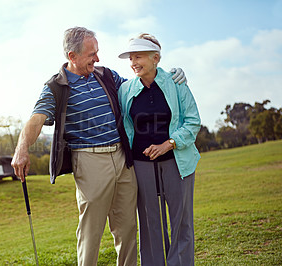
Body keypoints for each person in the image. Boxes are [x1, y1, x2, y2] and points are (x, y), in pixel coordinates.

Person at [11, 27, 186, 266]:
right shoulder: (56, 87)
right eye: (92, 54)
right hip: (90, 161)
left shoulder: (107, 75)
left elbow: (141, 86)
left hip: (123, 159)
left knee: (127, 229)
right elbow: (37, 118)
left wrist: (169, 75)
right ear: (72, 56)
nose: (98, 58)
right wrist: (22, 148)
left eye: (97, 52)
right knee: (91, 232)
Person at [118, 33, 201, 266]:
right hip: (141, 166)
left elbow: (193, 121)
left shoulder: (176, 83)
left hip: (177, 162)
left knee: (181, 222)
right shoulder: (125, 89)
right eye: (131, 57)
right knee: (149, 223)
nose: (134, 62)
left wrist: (169, 144)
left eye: (139, 56)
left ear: (156, 58)